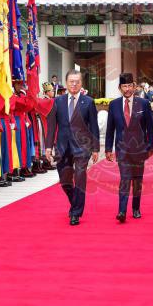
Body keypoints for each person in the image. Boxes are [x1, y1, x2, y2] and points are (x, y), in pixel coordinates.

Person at [45, 69, 100, 226]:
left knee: (80, 177)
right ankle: (75, 202)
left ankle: (76, 213)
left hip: (83, 147)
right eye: (71, 81)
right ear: (66, 83)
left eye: (77, 82)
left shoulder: (88, 102)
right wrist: (48, 147)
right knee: (65, 181)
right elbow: (52, 126)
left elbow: (94, 126)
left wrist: (95, 148)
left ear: (81, 83)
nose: (74, 84)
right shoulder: (58, 101)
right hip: (62, 147)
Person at [105, 73, 153, 222]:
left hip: (139, 149)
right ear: (119, 88)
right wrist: (108, 149)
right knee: (125, 178)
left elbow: (150, 127)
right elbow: (110, 129)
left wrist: (151, 147)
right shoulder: (114, 105)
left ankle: (136, 208)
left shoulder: (144, 103)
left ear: (134, 86)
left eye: (129, 86)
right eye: (124, 86)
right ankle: (122, 211)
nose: (127, 89)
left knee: (137, 180)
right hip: (122, 149)